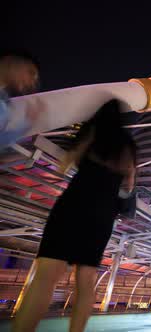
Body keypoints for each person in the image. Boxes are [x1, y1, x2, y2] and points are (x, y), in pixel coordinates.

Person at [12, 99, 136, 332]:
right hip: (102, 215)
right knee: (86, 280)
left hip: (74, 204)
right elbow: (129, 187)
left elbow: (64, 165)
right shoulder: (128, 147)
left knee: (45, 277)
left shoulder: (92, 132)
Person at [0, 50, 41, 148]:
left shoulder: (5, 100)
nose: (32, 82)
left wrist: (28, 122)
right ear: (10, 63)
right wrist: (27, 123)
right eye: (30, 73)